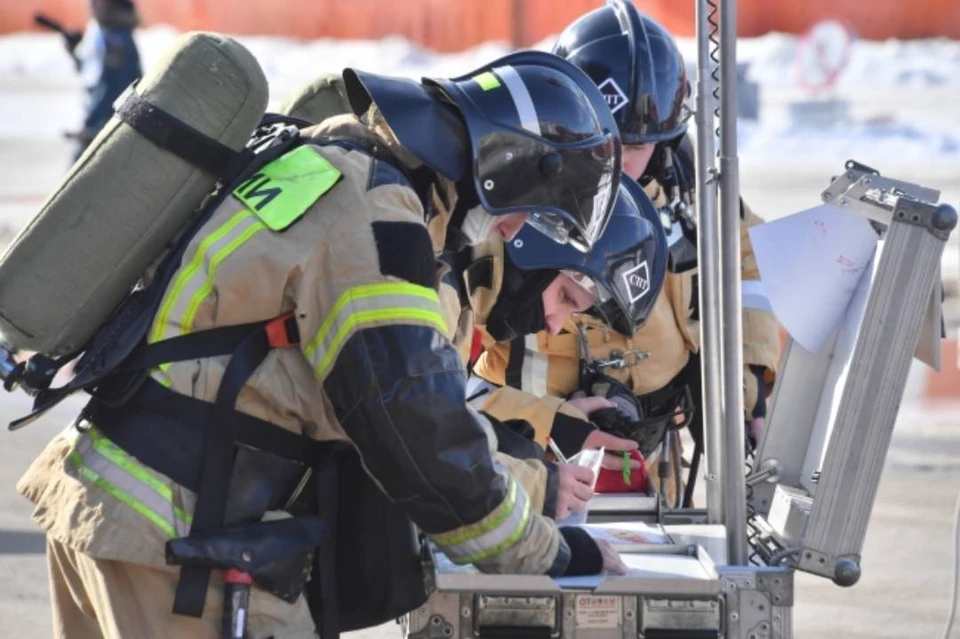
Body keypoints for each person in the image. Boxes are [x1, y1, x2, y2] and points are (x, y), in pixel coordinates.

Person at [17, 51, 632, 638]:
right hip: (177, 543)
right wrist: (546, 550)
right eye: (529, 212)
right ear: (505, 169)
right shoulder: (377, 215)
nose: (514, 231)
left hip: (116, 502)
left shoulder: (324, 159)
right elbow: (416, 426)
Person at [473, 2, 782, 506]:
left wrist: (744, 374)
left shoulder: (691, 185)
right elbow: (439, 384)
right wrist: (549, 427)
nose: (611, 161)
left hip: (655, 462)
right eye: (599, 137)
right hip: (528, 466)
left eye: (632, 147)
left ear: (664, 141)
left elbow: (748, 260)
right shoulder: (509, 209)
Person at [67, 0, 142, 159]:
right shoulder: (103, 32)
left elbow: (113, 85)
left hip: (109, 125)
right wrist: (74, 52)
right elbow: (93, 76)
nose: (91, 5)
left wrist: (91, 125)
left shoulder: (117, 39)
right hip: (105, 122)